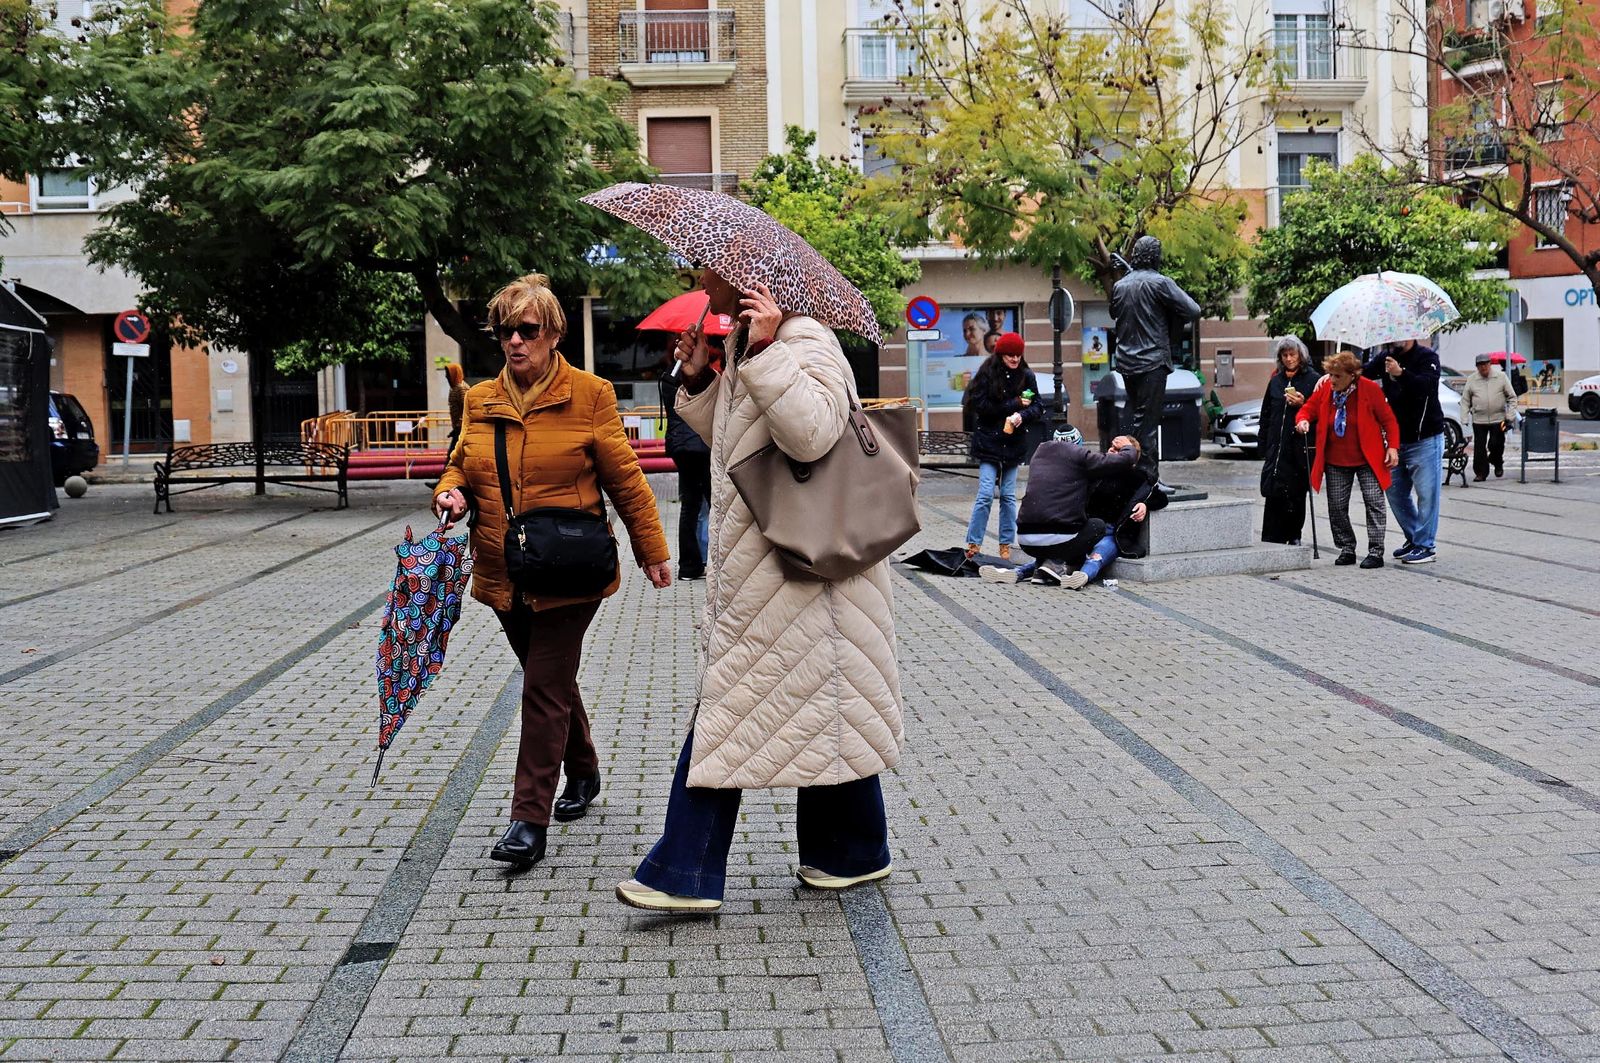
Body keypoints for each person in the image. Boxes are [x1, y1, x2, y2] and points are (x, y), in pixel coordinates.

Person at [615, 271, 905, 915]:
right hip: (777, 571)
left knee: (733, 707)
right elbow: (745, 446)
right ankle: (854, 851)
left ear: (745, 277)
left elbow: (813, 436)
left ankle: (683, 871)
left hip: (796, 575)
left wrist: (771, 352)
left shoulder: (805, 341)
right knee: (829, 705)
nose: (697, 279)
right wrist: (697, 380)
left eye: (705, 271)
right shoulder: (753, 344)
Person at [433, 273, 672, 871]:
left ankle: (528, 819)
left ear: (553, 333)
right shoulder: (480, 399)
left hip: (570, 569)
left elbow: (626, 480)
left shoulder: (590, 394)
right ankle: (585, 771)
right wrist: (451, 493)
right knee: (552, 681)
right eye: (504, 331)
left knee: (541, 688)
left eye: (527, 330)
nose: (514, 341)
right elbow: (459, 465)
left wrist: (652, 550)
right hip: (502, 568)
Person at [1109, 236, 1202, 485]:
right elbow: (1193, 310)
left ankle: (1138, 474)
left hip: (1127, 363)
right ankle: (1147, 479)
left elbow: (1114, 312)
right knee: (1147, 423)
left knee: (1140, 419)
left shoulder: (1120, 286)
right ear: (1155, 256)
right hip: (1151, 362)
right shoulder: (1161, 283)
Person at [1297, 351, 1401, 569]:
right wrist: (1303, 420)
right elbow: (1309, 408)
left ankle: (1375, 551)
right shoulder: (1326, 390)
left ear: (1352, 375)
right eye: (1330, 374)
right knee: (1336, 506)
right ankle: (1347, 547)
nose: (1332, 380)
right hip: (1336, 459)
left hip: (1367, 458)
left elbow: (1388, 420)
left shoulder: (1369, 389)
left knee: (1374, 503)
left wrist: (1392, 447)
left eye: (1337, 376)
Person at [1004, 434, 1143, 588]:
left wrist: (1144, 504)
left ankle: (1072, 574)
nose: (1112, 450)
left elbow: (1157, 494)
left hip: (1106, 533)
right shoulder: (1091, 468)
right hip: (1079, 532)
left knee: (1096, 555)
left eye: (1119, 449)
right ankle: (1039, 568)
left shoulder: (1136, 476)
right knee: (1089, 533)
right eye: (1112, 447)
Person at [961, 332, 1043, 561]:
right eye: (1010, 355)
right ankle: (973, 543)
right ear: (1001, 355)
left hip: (1013, 444)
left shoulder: (1027, 376)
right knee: (985, 494)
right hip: (989, 441)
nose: (1015, 359)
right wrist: (1014, 404)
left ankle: (1005, 544)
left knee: (1008, 496)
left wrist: (1022, 416)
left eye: (1018, 355)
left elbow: (1038, 406)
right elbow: (980, 406)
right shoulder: (987, 374)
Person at [1362, 336, 1443, 565]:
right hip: (1397, 440)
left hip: (1425, 438)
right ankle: (1415, 537)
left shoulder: (1427, 357)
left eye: (1399, 334)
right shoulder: (1385, 357)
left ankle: (1426, 546)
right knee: (1395, 492)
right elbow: (1364, 374)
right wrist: (1341, 371)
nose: (1394, 338)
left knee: (1427, 495)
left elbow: (1426, 387)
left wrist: (1401, 374)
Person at [1258, 336, 1323, 545]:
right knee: (1274, 491)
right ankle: (1271, 536)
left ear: (1300, 355)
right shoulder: (1276, 380)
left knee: (1295, 492)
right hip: (1276, 447)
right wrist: (1263, 444)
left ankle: (1294, 534)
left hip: (1299, 446)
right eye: (1284, 355)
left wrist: (1303, 404)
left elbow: (1321, 413)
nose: (1288, 359)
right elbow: (1266, 413)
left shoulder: (1313, 379)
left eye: (1292, 354)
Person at [659, 343, 715, 580]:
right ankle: (716, 562)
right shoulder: (692, 377)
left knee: (689, 505)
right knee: (715, 503)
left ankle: (689, 566)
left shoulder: (667, 377)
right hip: (700, 445)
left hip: (680, 446)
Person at [1461, 352, 1518, 480]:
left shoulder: (1501, 377)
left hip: (1498, 418)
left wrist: (1510, 416)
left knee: (1496, 444)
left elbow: (1512, 397)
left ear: (1490, 364)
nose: (1483, 368)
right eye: (1480, 365)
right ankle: (1481, 473)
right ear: (1477, 367)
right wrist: (1464, 419)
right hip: (1479, 419)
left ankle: (1497, 462)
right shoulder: (1472, 380)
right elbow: (1465, 401)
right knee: (1479, 448)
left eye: (1485, 364)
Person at [444, 362, 470, 455]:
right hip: (458, 428)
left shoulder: (461, 388)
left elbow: (467, 409)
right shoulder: (454, 388)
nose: (446, 376)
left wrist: (459, 427)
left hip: (462, 429)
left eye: (448, 374)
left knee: (451, 457)